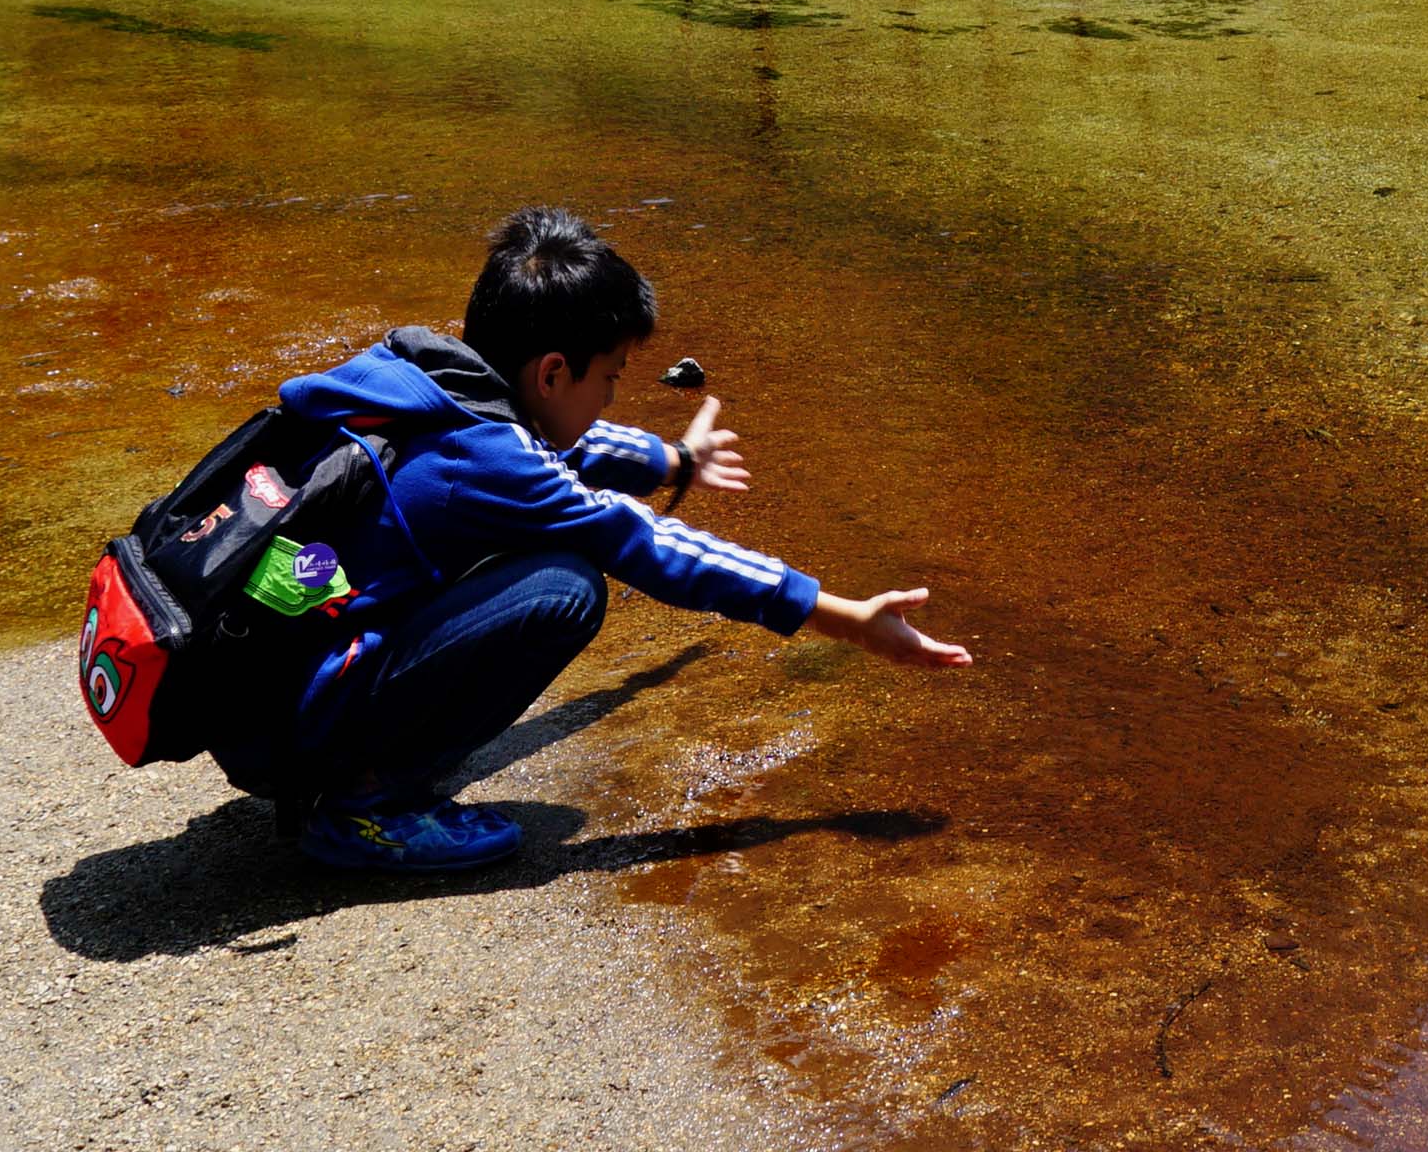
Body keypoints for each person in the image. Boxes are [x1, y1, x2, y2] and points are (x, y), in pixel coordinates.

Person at [215, 206, 969, 873]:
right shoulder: (493, 457)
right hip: (285, 725)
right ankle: (364, 809)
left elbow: (552, 443)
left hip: (255, 693)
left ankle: (349, 770)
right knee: (564, 588)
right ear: (551, 371)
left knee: (535, 558)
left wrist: (674, 461)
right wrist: (845, 619)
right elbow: (648, 545)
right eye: (609, 377)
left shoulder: (417, 379)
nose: (611, 393)